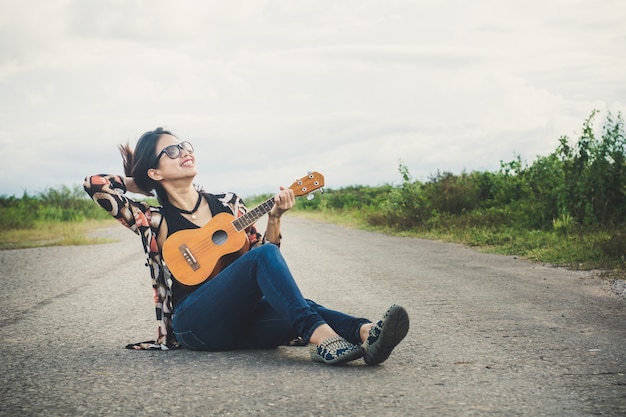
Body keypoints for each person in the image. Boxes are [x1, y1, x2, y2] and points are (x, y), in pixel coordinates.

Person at [84, 127, 409, 365]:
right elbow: (94, 184)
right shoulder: (152, 218)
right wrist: (141, 182)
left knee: (292, 301)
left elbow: (267, 269)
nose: (184, 152)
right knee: (279, 280)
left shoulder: (229, 205)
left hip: (239, 322)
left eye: (184, 146)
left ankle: (368, 333)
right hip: (195, 326)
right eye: (171, 152)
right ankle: (324, 339)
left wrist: (276, 218)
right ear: (155, 171)